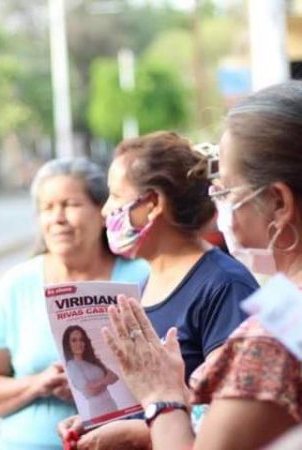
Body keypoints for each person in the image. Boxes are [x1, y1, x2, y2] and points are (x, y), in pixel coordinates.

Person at [102, 80, 302, 450]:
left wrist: (160, 396)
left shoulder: (274, 337)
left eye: (226, 191)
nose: (221, 210)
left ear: (278, 202)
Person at [58, 131, 259, 449]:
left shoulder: (224, 287)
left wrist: (138, 435)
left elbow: (229, 415)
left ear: (152, 203)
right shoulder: (142, 284)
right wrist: (102, 419)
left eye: (116, 196)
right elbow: (143, 396)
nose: (105, 210)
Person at [0, 157, 150, 450]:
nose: (58, 218)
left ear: (101, 210)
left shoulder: (140, 276)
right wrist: (39, 384)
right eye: (47, 208)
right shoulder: (18, 283)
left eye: (71, 204)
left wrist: (98, 384)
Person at [63, 325, 118, 418]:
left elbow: (115, 377)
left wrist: (95, 385)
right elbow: (90, 392)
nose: (79, 343)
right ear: (68, 344)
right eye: (74, 340)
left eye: (81, 339)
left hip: (111, 405)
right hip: (98, 411)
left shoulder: (93, 361)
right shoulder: (71, 366)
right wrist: (105, 381)